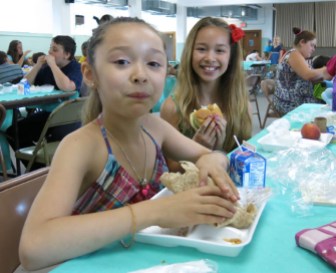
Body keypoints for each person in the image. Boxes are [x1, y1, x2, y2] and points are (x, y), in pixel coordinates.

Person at [19, 17, 239, 271]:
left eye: (154, 63)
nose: (140, 75)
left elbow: (210, 155)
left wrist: (213, 158)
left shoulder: (154, 127)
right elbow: (33, 247)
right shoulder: (82, 145)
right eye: (122, 62)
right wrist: (156, 210)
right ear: (90, 74)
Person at [160, 17, 252, 171]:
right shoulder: (173, 108)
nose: (210, 58)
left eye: (220, 50)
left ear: (231, 57)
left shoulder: (242, 105)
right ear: (190, 52)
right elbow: (172, 171)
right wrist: (197, 150)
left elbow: (247, 154)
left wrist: (220, 151)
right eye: (202, 49)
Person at [6, 35, 82, 150]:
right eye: (50, 48)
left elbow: (68, 87)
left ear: (67, 54)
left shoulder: (76, 67)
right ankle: (36, 165)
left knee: (17, 132)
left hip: (69, 117)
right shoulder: (46, 69)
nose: (50, 52)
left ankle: (39, 164)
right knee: (13, 132)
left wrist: (53, 64)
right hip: (51, 114)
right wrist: (37, 66)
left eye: (55, 50)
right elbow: (24, 84)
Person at [273, 27, 335, 115]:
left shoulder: (294, 55)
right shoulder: (294, 54)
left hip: (289, 100)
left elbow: (312, 77)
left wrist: (326, 74)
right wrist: (328, 69)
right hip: (290, 103)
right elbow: (308, 75)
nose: (314, 49)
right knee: (329, 107)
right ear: (302, 42)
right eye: (312, 45)